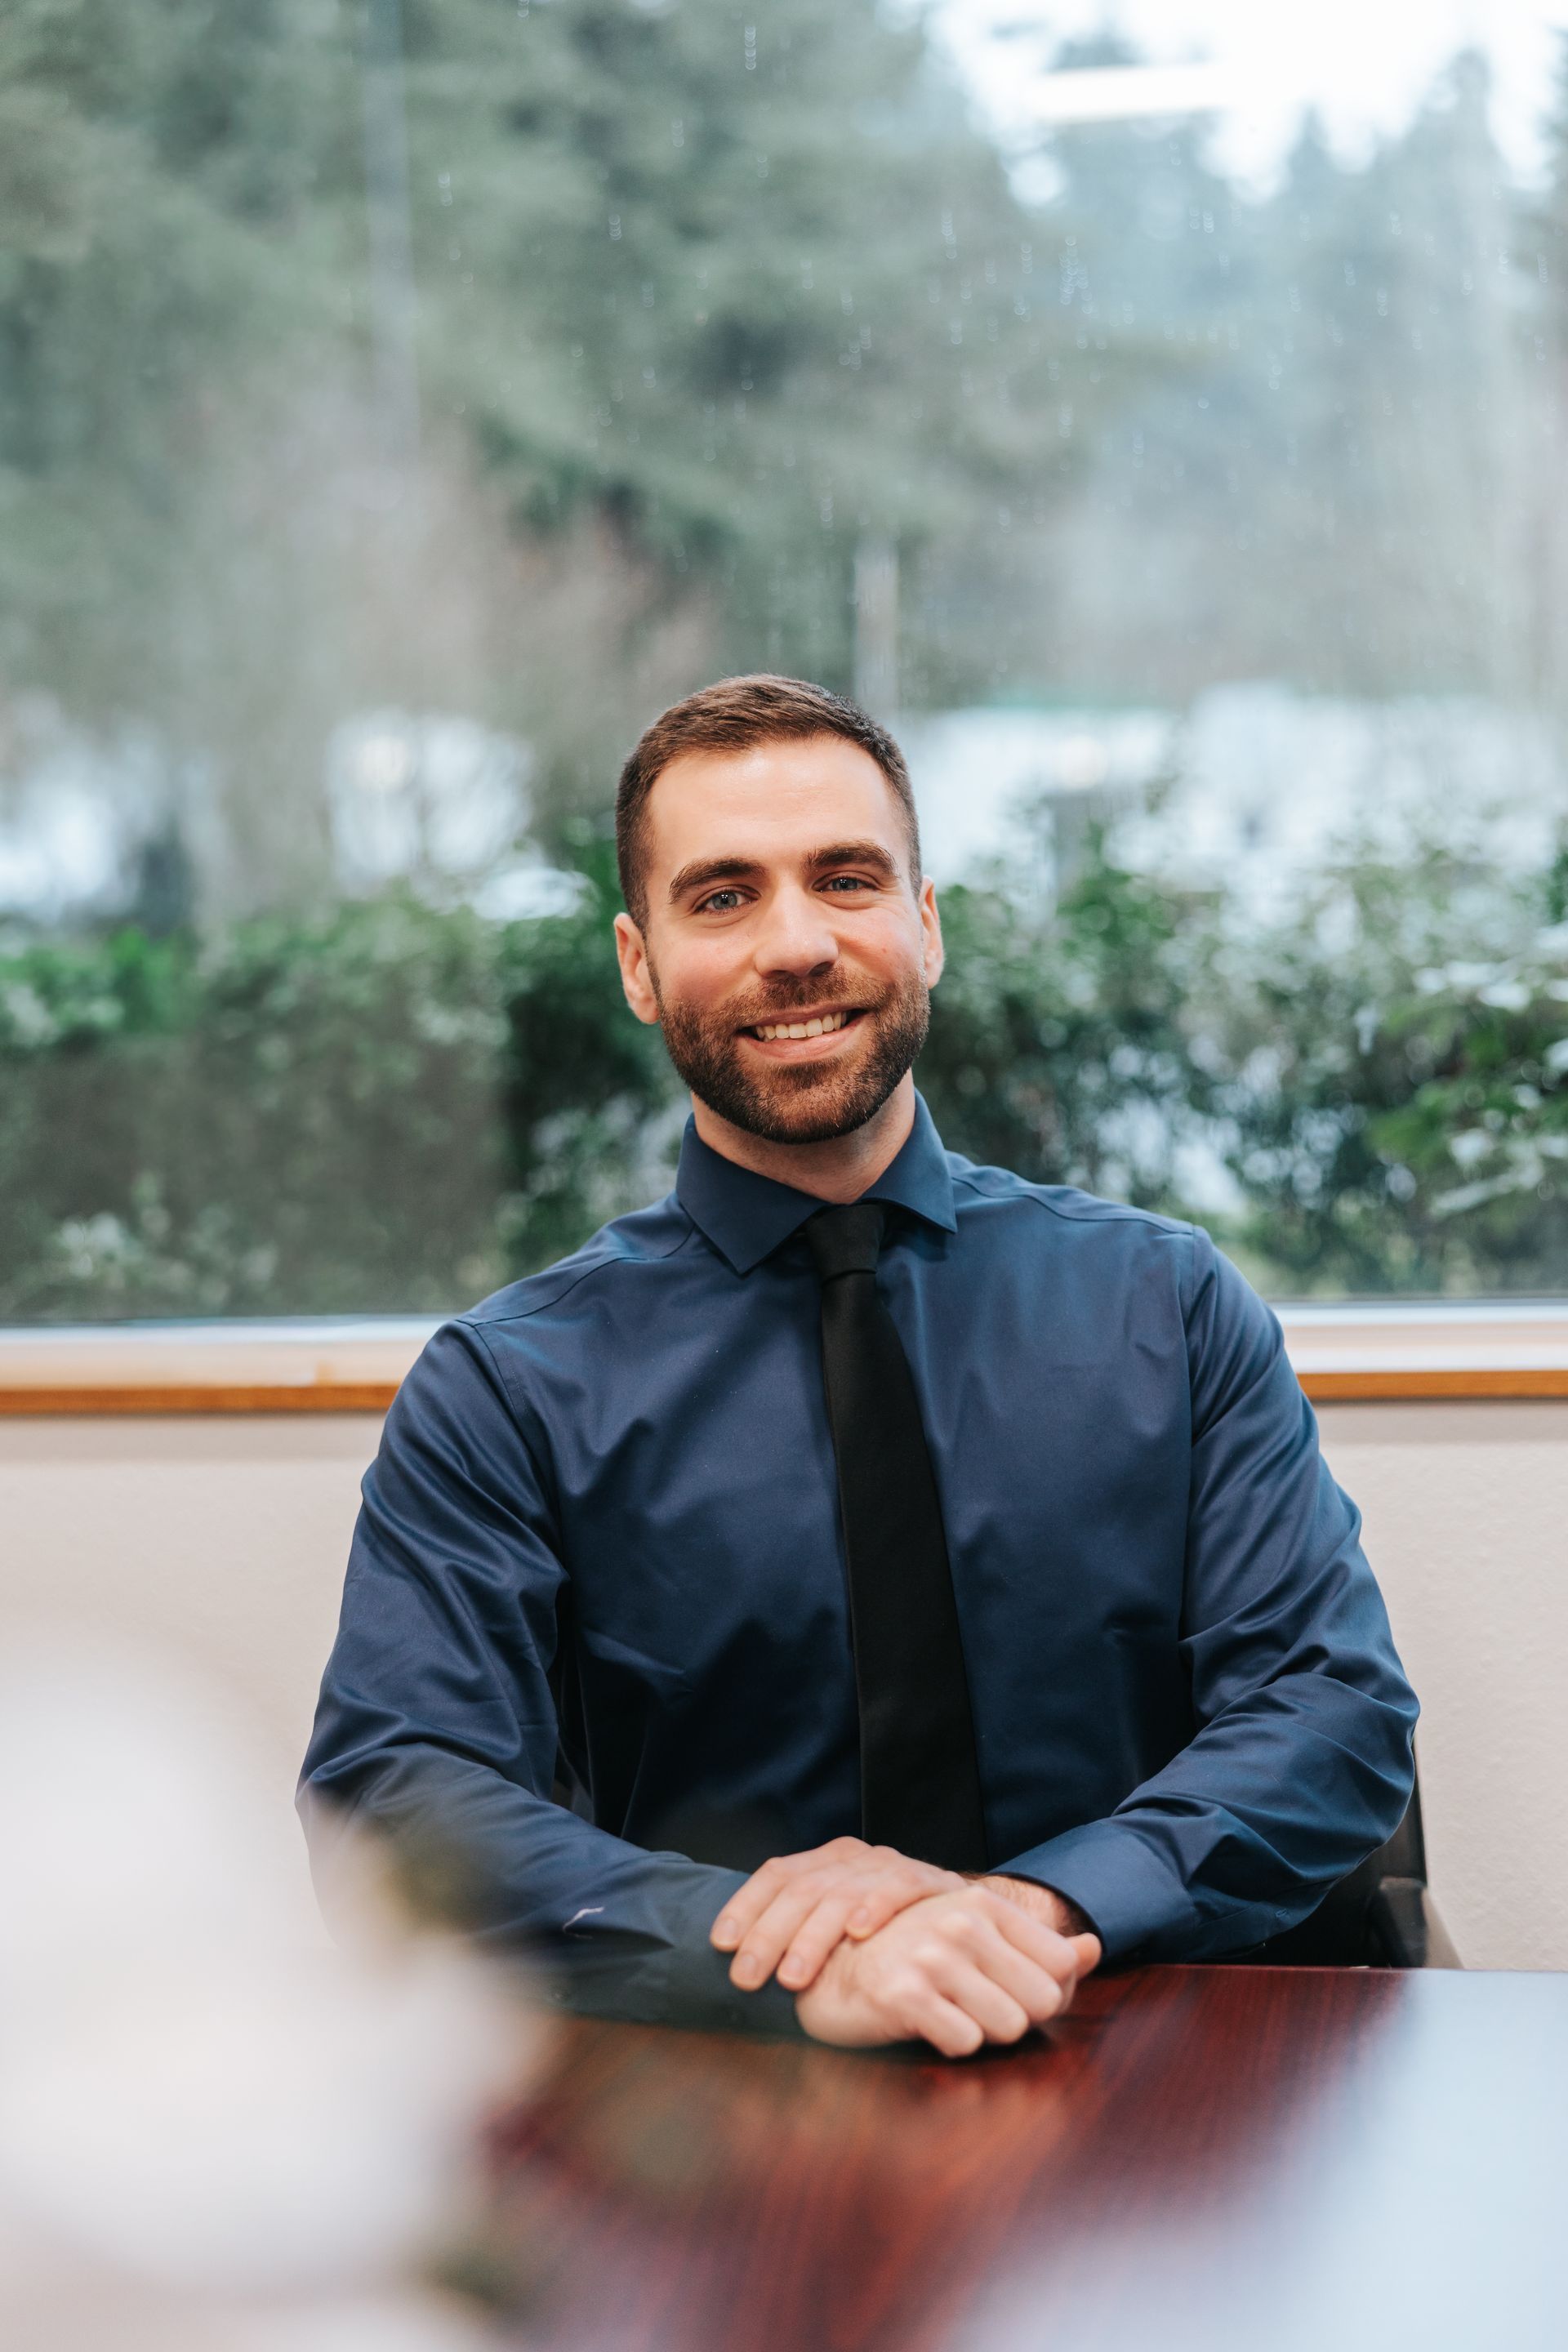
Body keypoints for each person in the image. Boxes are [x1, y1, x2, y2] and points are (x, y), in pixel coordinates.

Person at [301, 675, 1418, 2058]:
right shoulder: (507, 1388)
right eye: (721, 897)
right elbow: (397, 1794)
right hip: (716, 2107)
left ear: (926, 926)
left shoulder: (1167, 1303)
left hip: (1144, 2072)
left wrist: (1029, 1910)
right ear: (639, 965)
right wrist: (777, 1955)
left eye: (846, 878)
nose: (795, 945)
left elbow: (1332, 1711)